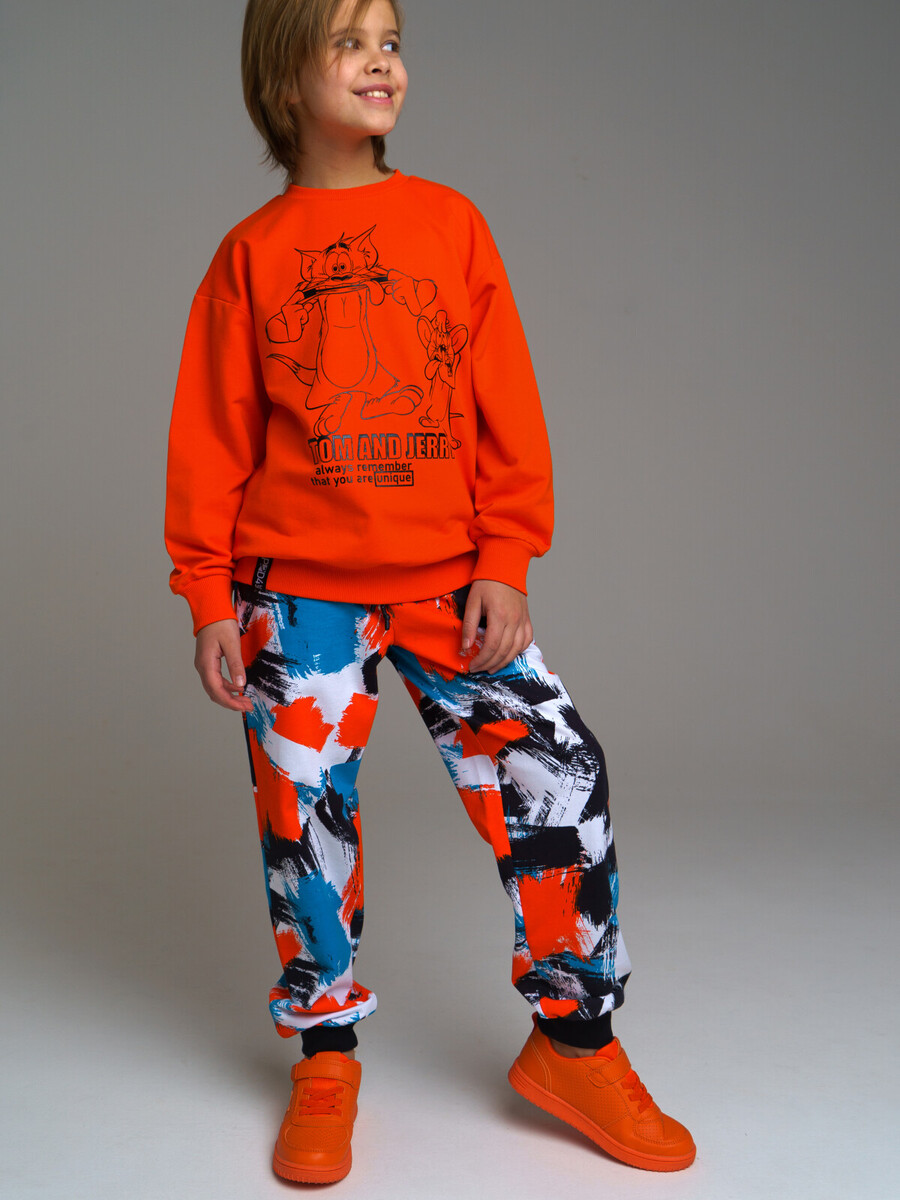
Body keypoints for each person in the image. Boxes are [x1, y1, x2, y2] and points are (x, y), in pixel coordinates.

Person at [165, 0, 696, 1183]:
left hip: (449, 588)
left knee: (560, 773)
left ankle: (574, 1041)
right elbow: (211, 439)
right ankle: (325, 1054)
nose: (381, 63)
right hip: (294, 599)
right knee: (303, 819)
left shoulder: (451, 226)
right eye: (350, 42)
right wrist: (207, 596)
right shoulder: (251, 255)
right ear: (284, 78)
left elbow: (509, 408)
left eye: (392, 42)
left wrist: (504, 559)